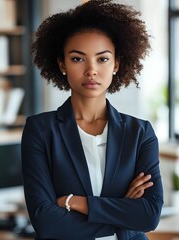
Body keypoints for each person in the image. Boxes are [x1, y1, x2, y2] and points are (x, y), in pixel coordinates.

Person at [21, 0, 163, 239]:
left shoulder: (140, 133)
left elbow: (149, 216)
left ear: (117, 63)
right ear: (62, 64)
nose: (91, 70)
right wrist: (123, 213)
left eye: (102, 59)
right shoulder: (40, 130)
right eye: (77, 58)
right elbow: (45, 222)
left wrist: (76, 202)